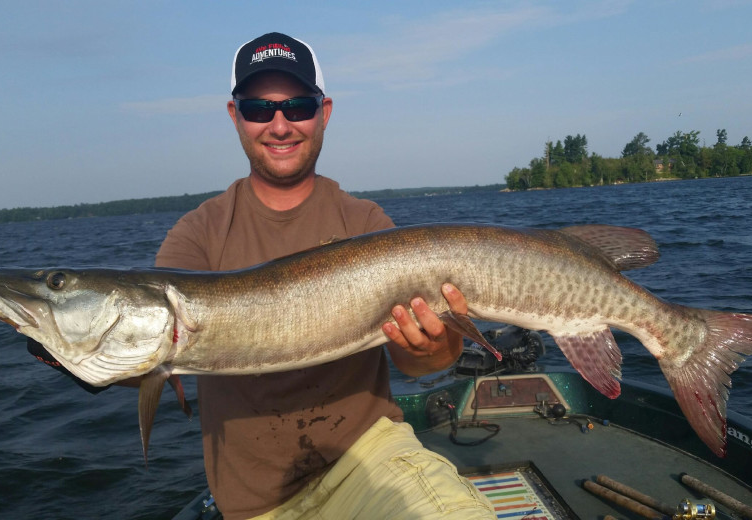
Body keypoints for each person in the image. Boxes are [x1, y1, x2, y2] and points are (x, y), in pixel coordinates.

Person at [152, 33, 495, 519]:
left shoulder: (365, 223)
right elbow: (145, 349)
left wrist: (435, 348)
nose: (279, 125)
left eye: (297, 106)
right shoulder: (198, 235)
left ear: (324, 111)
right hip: (254, 504)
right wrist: (71, 348)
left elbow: (421, 365)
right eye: (257, 108)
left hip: (370, 462)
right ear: (235, 116)